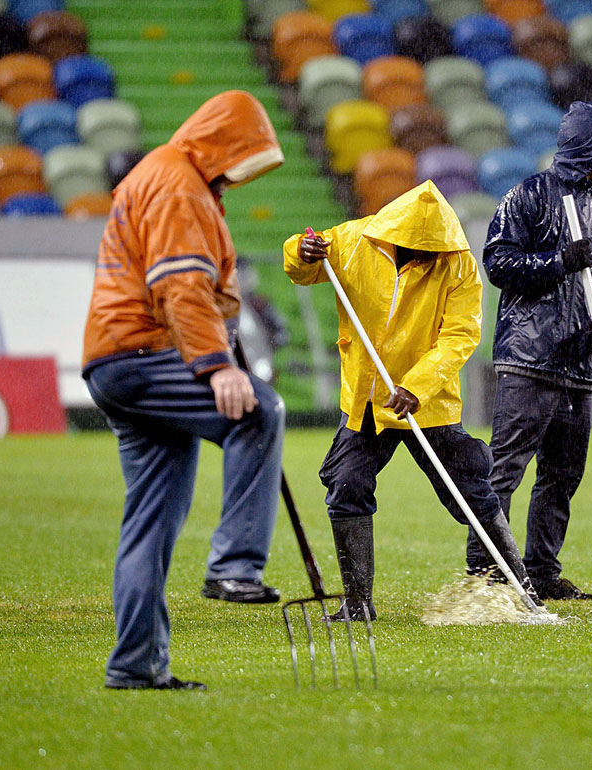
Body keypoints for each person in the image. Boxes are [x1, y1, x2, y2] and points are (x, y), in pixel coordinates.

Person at [82, 91, 287, 690]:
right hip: (143, 353)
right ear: (220, 142)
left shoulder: (169, 177)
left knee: (150, 521)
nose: (237, 175)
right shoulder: (177, 184)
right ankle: (235, 566)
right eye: (239, 158)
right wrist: (217, 366)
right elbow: (181, 286)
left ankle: (135, 666)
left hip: (118, 361)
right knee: (258, 411)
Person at [282, 180, 541, 620]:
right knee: (346, 485)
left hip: (430, 402)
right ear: (394, 233)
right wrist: (301, 252)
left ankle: (521, 589)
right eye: (417, 248)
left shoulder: (458, 264)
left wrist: (416, 387)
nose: (426, 256)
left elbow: (460, 335)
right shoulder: (353, 239)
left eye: (433, 250)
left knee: (470, 492)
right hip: (367, 398)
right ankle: (358, 604)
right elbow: (303, 264)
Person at [465, 101, 592, 601]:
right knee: (506, 469)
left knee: (563, 475)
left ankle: (541, 570)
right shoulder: (528, 196)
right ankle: (486, 571)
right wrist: (558, 262)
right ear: (590, 150)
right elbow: (497, 262)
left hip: (582, 368)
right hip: (528, 360)